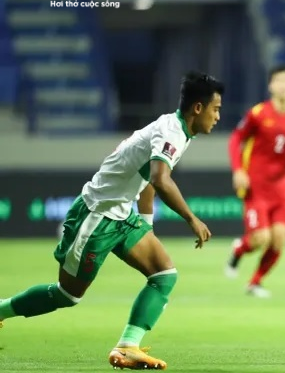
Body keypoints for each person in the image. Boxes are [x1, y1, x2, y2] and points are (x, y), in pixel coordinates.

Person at [0, 71, 224, 370]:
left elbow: (148, 179)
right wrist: (191, 219)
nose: (218, 116)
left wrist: (146, 225)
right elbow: (160, 179)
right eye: (215, 109)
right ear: (198, 108)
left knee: (164, 275)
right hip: (96, 216)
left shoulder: (178, 130)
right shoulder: (171, 132)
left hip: (121, 215)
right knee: (67, 295)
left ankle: (128, 346)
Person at [225, 65, 285, 298]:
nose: (283, 85)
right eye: (278, 81)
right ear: (270, 86)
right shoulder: (258, 114)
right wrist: (238, 170)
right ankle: (239, 249)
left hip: (282, 188)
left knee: (279, 239)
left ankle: (254, 283)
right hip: (256, 186)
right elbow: (236, 139)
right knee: (260, 238)